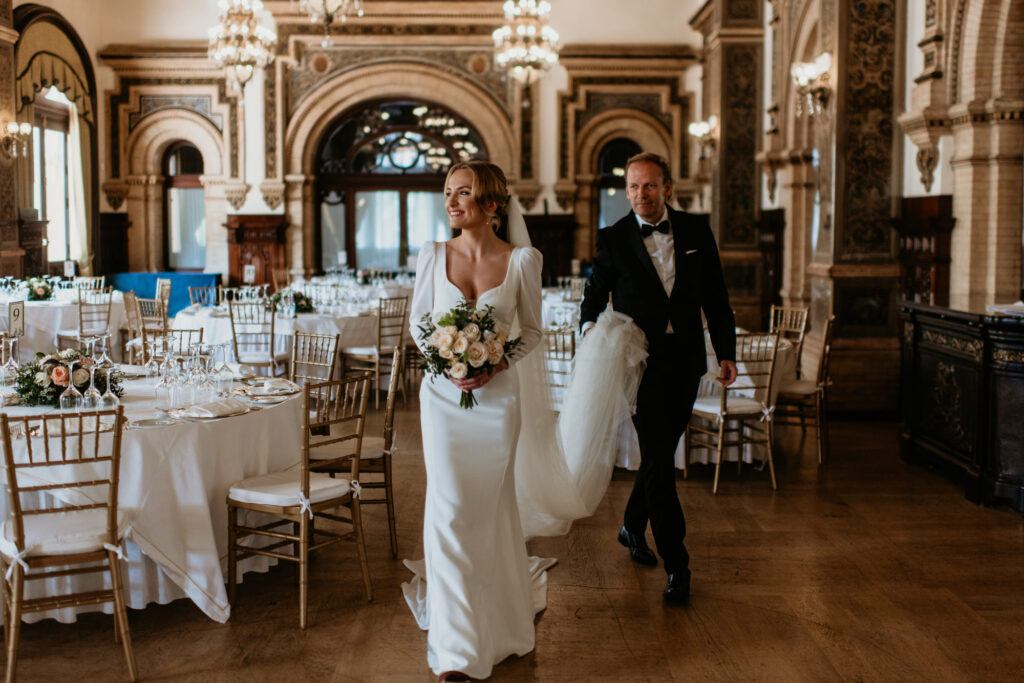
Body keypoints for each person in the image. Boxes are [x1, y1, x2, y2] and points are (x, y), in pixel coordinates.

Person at [403, 161, 549, 682]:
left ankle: (502, 623)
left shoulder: (522, 261)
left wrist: (497, 361)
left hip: (497, 403)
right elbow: (420, 326)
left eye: (463, 193)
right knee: (449, 509)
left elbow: (531, 331)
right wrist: (446, 363)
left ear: (491, 203)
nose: (452, 202)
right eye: (447, 193)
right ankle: (458, 650)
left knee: (488, 511)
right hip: (442, 402)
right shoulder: (432, 255)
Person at [579, 152, 737, 605]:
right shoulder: (613, 238)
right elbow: (592, 299)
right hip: (638, 363)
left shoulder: (696, 230)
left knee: (658, 454)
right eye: (632, 187)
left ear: (667, 188)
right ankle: (678, 565)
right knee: (660, 464)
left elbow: (716, 297)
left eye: (649, 186)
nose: (640, 195)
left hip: (686, 360)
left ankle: (631, 525)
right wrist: (593, 335)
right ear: (625, 190)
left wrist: (725, 353)